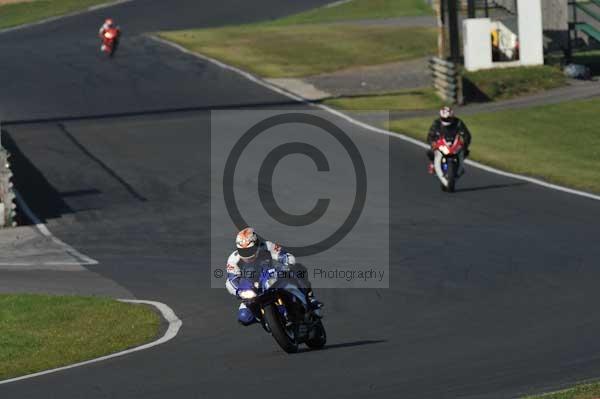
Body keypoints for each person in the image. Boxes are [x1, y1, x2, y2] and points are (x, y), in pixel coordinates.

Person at [225, 227, 323, 325]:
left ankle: (309, 297)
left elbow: (285, 256)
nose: (247, 254)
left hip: (272, 276)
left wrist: (287, 264)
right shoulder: (233, 259)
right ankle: (266, 321)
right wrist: (239, 290)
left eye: (250, 250)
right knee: (244, 317)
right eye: (243, 251)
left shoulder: (267, 246)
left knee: (298, 269)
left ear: (256, 244)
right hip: (252, 287)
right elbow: (231, 279)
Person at [426, 106, 472, 175]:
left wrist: (465, 144)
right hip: (442, 143)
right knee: (430, 152)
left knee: (465, 151)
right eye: (444, 119)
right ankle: (433, 164)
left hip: (454, 143)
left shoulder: (458, 122)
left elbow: (467, 134)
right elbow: (430, 135)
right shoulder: (437, 123)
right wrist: (432, 142)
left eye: (449, 119)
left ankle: (460, 165)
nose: (446, 121)